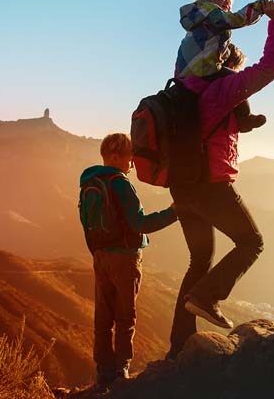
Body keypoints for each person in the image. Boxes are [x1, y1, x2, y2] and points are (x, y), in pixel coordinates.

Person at [166, 0, 274, 358]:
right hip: (210, 187)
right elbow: (268, 70)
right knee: (252, 242)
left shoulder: (184, 87)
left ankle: (179, 348)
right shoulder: (222, 88)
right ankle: (206, 297)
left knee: (199, 260)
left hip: (181, 186)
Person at [79, 133, 178, 388]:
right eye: (129, 158)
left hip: (101, 256)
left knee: (102, 318)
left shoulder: (90, 182)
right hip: (125, 258)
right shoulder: (121, 183)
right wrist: (174, 213)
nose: (132, 164)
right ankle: (121, 371)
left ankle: (103, 372)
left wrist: (98, 253)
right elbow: (140, 223)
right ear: (114, 156)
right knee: (125, 317)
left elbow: (86, 223)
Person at [176, 0, 268, 132]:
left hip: (185, 71)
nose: (228, 3)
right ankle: (244, 117)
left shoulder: (196, 19)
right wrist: (259, 7)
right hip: (204, 68)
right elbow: (237, 19)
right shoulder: (212, 13)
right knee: (236, 80)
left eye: (230, 0)